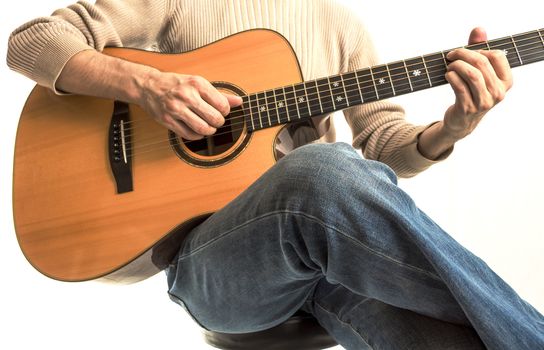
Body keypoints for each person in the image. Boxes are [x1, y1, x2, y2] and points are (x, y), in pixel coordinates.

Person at [7, 0, 543, 349]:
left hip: (327, 262)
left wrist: (452, 128)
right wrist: (147, 85)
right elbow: (30, 42)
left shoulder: (341, 27)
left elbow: (380, 145)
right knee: (326, 166)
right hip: (214, 267)